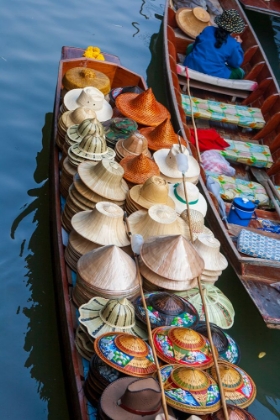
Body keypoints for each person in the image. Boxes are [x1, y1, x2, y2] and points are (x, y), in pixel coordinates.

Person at [183, 9, 245, 79]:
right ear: (233, 29)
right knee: (240, 72)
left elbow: (196, 44)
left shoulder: (208, 29)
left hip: (191, 65)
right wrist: (238, 45)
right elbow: (236, 64)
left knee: (190, 47)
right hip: (214, 74)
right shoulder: (233, 44)